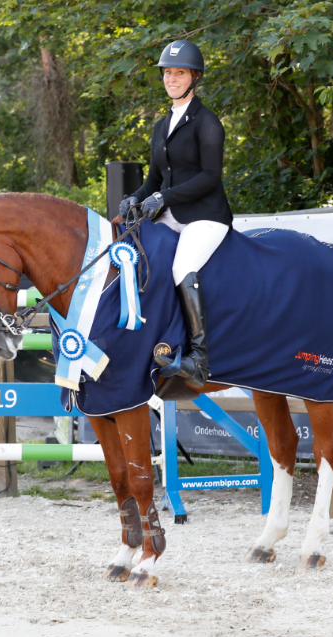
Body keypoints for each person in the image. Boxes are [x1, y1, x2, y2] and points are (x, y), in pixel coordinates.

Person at [119, 39, 233, 388]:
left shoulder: (208, 122)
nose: (171, 79)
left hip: (206, 215)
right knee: (137, 257)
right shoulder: (161, 126)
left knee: (182, 266)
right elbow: (154, 178)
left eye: (179, 73)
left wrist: (162, 197)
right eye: (167, 73)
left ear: (194, 77)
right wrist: (134, 199)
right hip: (172, 213)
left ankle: (198, 358)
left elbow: (210, 177)